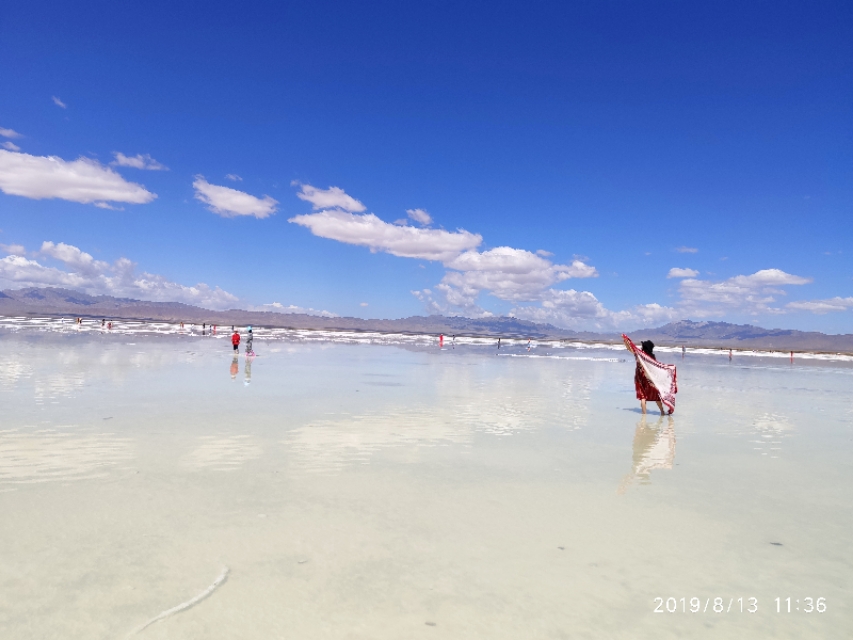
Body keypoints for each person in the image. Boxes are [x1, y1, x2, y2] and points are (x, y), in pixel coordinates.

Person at [625, 338, 666, 416]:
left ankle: (644, 415)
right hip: (649, 378)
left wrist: (625, 341)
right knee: (655, 395)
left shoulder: (639, 355)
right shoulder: (651, 357)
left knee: (643, 397)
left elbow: (630, 349)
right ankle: (662, 412)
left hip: (639, 378)